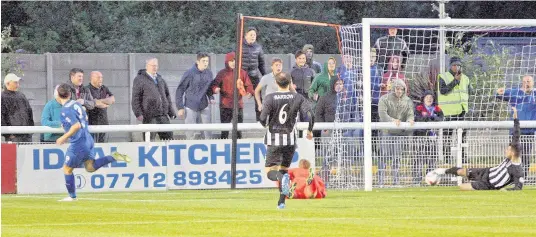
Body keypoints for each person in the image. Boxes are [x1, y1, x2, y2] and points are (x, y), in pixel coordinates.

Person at [55, 83, 131, 201]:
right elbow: (84, 118)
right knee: (90, 167)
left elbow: (76, 125)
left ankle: (72, 197)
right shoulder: (77, 104)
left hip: (79, 142)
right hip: (88, 139)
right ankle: (112, 157)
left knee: (67, 169)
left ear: (58, 96)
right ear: (70, 94)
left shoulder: (65, 110)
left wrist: (63, 137)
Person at [433, 107, 524, 191]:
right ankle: (441, 171)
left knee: (462, 187)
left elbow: (518, 187)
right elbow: (516, 134)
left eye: (507, 150)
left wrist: (506, 190)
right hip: (486, 172)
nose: (505, 150)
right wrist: (516, 119)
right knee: (461, 171)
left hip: (488, 184)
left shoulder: (517, 169)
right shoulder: (514, 152)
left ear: (512, 153)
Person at [259, 72, 314, 209]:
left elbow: (262, 118)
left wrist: (265, 125)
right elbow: (310, 114)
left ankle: (280, 179)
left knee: (269, 171)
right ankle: (281, 202)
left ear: (275, 83)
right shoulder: (297, 97)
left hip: (274, 139)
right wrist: (309, 130)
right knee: (284, 169)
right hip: (290, 140)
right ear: (290, 83)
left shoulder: (270, 97)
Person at [496, 75, 536, 179]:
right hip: (515, 130)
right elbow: (500, 95)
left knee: (526, 156)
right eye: (525, 81)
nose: (527, 83)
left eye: (529, 81)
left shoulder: (535, 94)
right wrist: (498, 93)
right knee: (514, 155)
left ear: (533, 82)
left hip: (529, 131)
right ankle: (512, 178)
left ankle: (523, 178)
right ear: (522, 83)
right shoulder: (514, 92)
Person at [378, 79, 415, 186]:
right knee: (384, 156)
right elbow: (383, 115)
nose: (399, 91)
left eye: (401, 89)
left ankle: (396, 181)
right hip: (387, 132)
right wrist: (392, 121)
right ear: (393, 88)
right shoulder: (384, 99)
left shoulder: (408, 101)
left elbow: (410, 113)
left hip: (400, 133)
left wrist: (410, 120)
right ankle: (380, 181)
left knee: (397, 157)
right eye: (397, 89)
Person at [438, 57, 473, 163]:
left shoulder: (466, 78)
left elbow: (469, 91)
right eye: (454, 65)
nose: (456, 67)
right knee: (447, 137)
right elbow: (443, 91)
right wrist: (455, 81)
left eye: (458, 65)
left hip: (462, 111)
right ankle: (447, 158)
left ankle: (462, 157)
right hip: (448, 112)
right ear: (450, 66)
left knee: (462, 136)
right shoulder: (443, 76)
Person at [211, 52, 254, 139]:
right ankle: (223, 146)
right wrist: (215, 89)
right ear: (227, 62)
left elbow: (249, 85)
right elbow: (214, 84)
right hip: (225, 106)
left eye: (235, 60)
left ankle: (238, 148)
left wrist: (250, 92)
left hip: (238, 105)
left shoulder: (242, 73)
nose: (234, 62)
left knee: (238, 129)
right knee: (224, 130)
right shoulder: (222, 73)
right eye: (231, 61)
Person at [132, 58, 176, 141]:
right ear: (147, 66)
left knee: (169, 141)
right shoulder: (139, 79)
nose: (154, 67)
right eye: (152, 65)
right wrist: (138, 113)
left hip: (163, 115)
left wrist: (171, 112)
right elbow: (135, 98)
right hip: (149, 116)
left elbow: (167, 96)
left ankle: (168, 154)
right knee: (149, 141)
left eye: (156, 66)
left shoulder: (160, 79)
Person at [176, 52, 214, 140]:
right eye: (203, 61)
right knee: (190, 132)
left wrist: (211, 97)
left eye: (207, 61)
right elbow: (180, 90)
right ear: (197, 61)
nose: (205, 63)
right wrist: (180, 107)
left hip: (204, 105)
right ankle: (189, 147)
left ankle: (208, 148)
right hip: (190, 106)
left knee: (207, 131)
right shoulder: (189, 73)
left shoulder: (209, 73)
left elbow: (208, 88)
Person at [413, 90, 444, 184]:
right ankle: (416, 180)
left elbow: (441, 118)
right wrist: (427, 118)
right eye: (427, 97)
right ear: (423, 99)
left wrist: (433, 118)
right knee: (419, 158)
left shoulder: (437, 108)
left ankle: (429, 179)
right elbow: (417, 118)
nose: (429, 99)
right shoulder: (419, 108)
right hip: (421, 137)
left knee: (432, 158)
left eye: (431, 97)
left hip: (433, 137)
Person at [241, 27, 266, 120]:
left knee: (258, 98)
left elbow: (262, 64)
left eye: (254, 35)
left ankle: (260, 121)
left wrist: (266, 76)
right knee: (237, 99)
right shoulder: (240, 46)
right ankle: (237, 124)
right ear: (245, 36)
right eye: (251, 35)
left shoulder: (258, 47)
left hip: (254, 76)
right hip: (241, 76)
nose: (253, 37)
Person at [1, 73, 34, 142]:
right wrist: (7, 134)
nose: (17, 84)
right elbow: (2, 117)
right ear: (8, 83)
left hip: (26, 134)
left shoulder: (21, 95)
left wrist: (31, 130)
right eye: (15, 82)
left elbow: (29, 112)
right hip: (13, 136)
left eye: (17, 82)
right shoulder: (3, 97)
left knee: (27, 152)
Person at [86, 71, 115, 143]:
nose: (101, 79)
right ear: (92, 78)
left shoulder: (104, 88)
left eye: (101, 77)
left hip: (104, 122)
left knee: (104, 145)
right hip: (91, 123)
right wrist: (104, 102)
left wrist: (100, 101)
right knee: (92, 145)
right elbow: (94, 103)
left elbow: (112, 99)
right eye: (98, 77)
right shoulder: (86, 89)